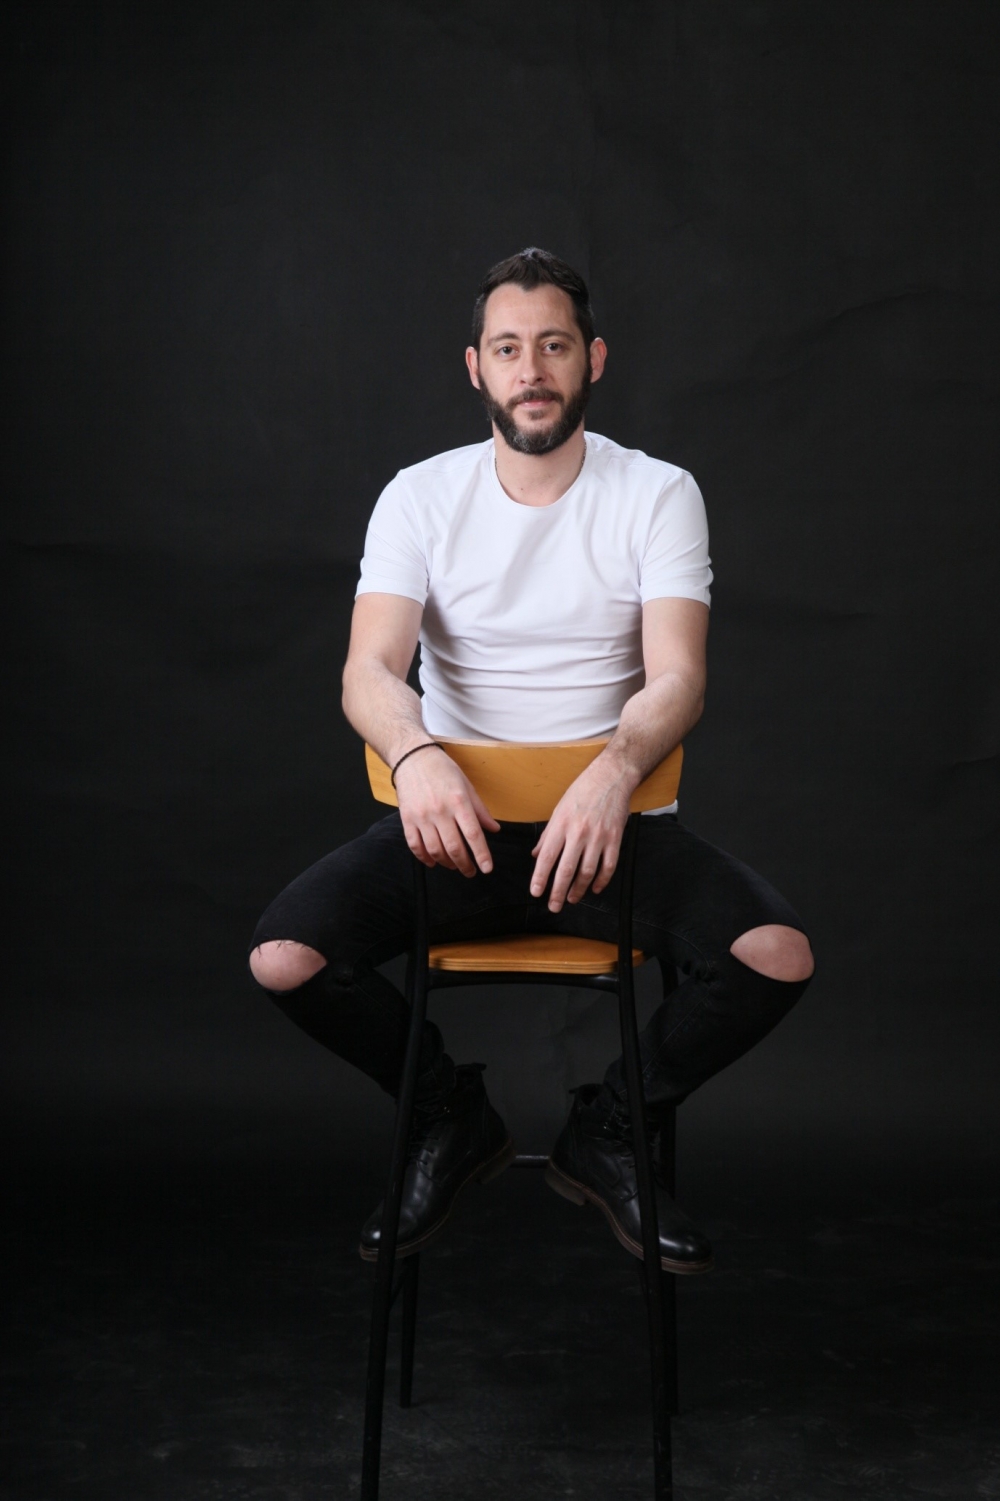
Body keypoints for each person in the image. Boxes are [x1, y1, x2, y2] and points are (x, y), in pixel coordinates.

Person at [249, 247, 814, 1274]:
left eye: (553, 345)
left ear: (593, 357)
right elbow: (367, 672)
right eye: (508, 348)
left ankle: (611, 1128)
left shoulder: (658, 492)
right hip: (452, 835)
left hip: (607, 837)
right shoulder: (420, 496)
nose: (532, 369)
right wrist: (416, 753)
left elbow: (679, 678)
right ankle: (444, 1113)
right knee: (288, 956)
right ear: (476, 367)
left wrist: (614, 770)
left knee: (772, 955)